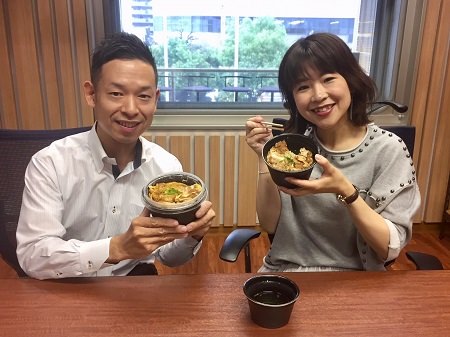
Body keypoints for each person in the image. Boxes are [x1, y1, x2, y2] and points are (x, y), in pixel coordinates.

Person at [16, 32, 216, 279]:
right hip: (66, 287)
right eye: (116, 94)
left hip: (132, 290)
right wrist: (117, 248)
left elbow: (168, 257)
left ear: (155, 100)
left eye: (143, 96)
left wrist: (193, 234)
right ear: (91, 94)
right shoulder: (50, 163)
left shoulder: (166, 168)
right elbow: (32, 255)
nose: (131, 109)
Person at [245, 33, 420, 272]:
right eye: (303, 86)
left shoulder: (388, 149)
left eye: (328, 79)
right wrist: (263, 156)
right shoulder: (295, 153)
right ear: (293, 98)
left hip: (356, 280)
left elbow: (388, 248)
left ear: (351, 80)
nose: (318, 95)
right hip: (289, 272)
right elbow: (269, 223)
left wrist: (346, 191)